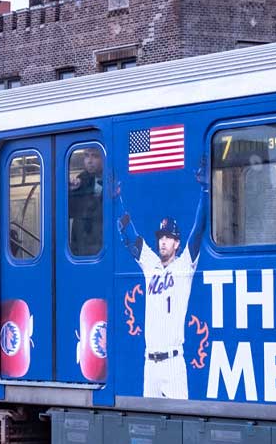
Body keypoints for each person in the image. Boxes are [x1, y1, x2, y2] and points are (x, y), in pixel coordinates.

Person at [114, 162, 207, 398]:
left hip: (173, 363)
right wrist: (117, 200)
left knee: (182, 425)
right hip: (150, 364)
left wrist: (205, 192)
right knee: (148, 427)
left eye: (169, 237)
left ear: (177, 243)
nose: (163, 241)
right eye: (161, 237)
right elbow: (130, 237)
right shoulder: (150, 264)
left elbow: (197, 231)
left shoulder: (185, 263)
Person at [67, 148, 105, 254]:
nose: (89, 161)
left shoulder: (114, 180)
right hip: (81, 246)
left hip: (103, 244)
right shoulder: (79, 181)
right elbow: (69, 213)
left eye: (95, 156)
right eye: (86, 156)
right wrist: (70, 192)